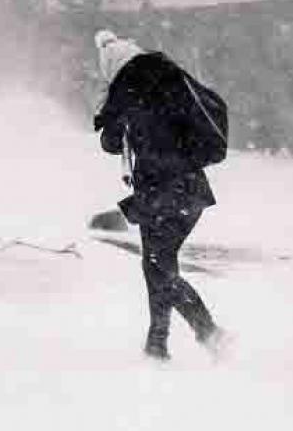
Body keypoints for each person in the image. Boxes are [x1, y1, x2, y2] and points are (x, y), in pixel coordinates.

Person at [91, 29, 227, 361]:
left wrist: (125, 212)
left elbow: (157, 167)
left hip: (174, 195)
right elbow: (113, 144)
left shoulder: (138, 100)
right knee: (157, 265)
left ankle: (209, 332)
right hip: (185, 192)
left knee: (160, 269)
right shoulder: (156, 88)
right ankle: (157, 344)